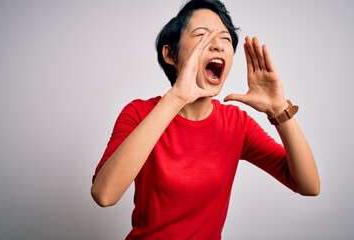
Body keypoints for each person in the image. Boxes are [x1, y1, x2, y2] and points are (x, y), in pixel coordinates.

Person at [91, 0, 320, 239]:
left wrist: (279, 109)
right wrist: (176, 98)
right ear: (170, 55)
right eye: (202, 35)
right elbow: (104, 194)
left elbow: (308, 185)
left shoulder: (236, 124)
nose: (219, 46)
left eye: (225, 39)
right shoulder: (138, 113)